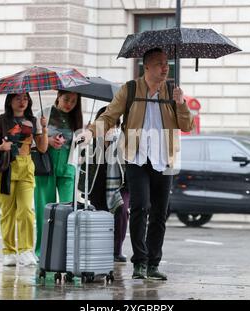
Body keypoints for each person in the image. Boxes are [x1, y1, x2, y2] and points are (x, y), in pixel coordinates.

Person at [77, 48, 195, 280]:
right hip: (136, 157)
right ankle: (139, 263)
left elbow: (187, 125)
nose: (165, 68)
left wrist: (181, 104)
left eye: (167, 64)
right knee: (140, 207)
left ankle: (153, 264)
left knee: (160, 213)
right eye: (160, 64)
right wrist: (91, 132)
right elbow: (109, 116)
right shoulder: (130, 90)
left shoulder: (173, 91)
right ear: (147, 67)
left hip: (164, 160)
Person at [0, 93, 48, 267]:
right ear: (10, 101)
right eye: (18, 98)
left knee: (26, 210)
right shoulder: (2, 120)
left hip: (26, 167)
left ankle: (26, 251)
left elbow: (42, 149)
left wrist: (44, 128)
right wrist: (1, 146)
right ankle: (9, 252)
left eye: (25, 99)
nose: (22, 102)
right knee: (8, 212)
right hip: (6, 168)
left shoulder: (33, 120)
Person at [33, 90, 83, 258]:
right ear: (58, 96)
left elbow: (80, 146)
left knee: (69, 211)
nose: (69, 104)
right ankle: (42, 251)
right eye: (66, 99)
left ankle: (66, 251)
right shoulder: (43, 113)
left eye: (74, 101)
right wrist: (49, 140)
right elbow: (32, 139)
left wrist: (84, 135)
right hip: (45, 166)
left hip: (68, 167)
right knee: (43, 210)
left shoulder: (77, 119)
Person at [85, 106, 130, 263]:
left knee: (122, 210)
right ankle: (101, 249)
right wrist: (87, 140)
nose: (110, 128)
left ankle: (117, 250)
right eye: (106, 124)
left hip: (121, 184)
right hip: (97, 186)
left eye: (113, 124)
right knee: (100, 216)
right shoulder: (92, 142)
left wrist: (114, 145)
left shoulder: (122, 140)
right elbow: (83, 163)